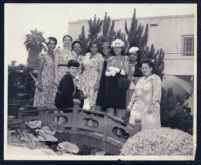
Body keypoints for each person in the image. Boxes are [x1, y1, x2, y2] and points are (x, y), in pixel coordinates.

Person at [127, 60, 161, 130]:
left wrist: (152, 105)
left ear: (151, 68)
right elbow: (135, 93)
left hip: (148, 108)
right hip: (138, 107)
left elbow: (157, 93)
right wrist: (130, 104)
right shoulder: (141, 79)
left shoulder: (155, 79)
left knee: (148, 129)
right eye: (143, 68)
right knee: (134, 128)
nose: (144, 70)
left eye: (146, 68)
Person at [104, 39, 130, 118]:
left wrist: (115, 70)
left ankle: (120, 128)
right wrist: (110, 73)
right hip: (111, 83)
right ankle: (108, 126)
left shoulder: (126, 58)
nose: (117, 49)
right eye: (115, 47)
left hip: (121, 84)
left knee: (120, 106)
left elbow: (126, 72)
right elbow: (106, 73)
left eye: (118, 47)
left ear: (122, 48)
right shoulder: (110, 59)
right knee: (110, 105)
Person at [33, 37, 57, 108]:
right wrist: (39, 83)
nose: (52, 45)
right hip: (43, 82)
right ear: (47, 45)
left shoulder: (55, 56)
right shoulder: (42, 55)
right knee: (42, 103)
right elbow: (39, 70)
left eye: (53, 44)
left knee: (50, 104)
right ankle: (41, 119)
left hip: (52, 83)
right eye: (50, 44)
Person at [80, 41, 104, 110]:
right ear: (90, 48)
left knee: (92, 97)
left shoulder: (100, 56)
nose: (94, 49)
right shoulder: (87, 55)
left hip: (94, 78)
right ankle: (84, 113)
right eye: (92, 47)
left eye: (96, 47)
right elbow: (83, 66)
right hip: (84, 78)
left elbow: (100, 71)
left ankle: (91, 116)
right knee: (84, 95)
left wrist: (97, 82)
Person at [96, 42, 113, 112]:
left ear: (110, 49)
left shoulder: (113, 58)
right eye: (103, 48)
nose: (105, 50)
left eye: (107, 48)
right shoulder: (101, 58)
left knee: (109, 101)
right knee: (99, 100)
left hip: (109, 81)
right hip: (101, 81)